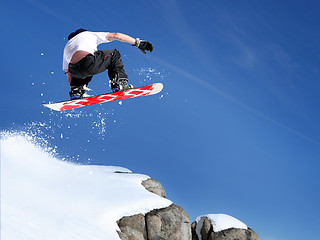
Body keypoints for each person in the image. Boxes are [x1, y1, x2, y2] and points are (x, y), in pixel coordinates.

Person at [63, 29, 153, 99]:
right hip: (88, 62)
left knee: (82, 68)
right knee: (114, 54)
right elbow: (116, 35)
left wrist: (73, 89)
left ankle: (77, 92)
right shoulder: (89, 34)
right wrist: (138, 43)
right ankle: (119, 83)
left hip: (75, 70)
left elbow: (68, 73)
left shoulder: (67, 47)